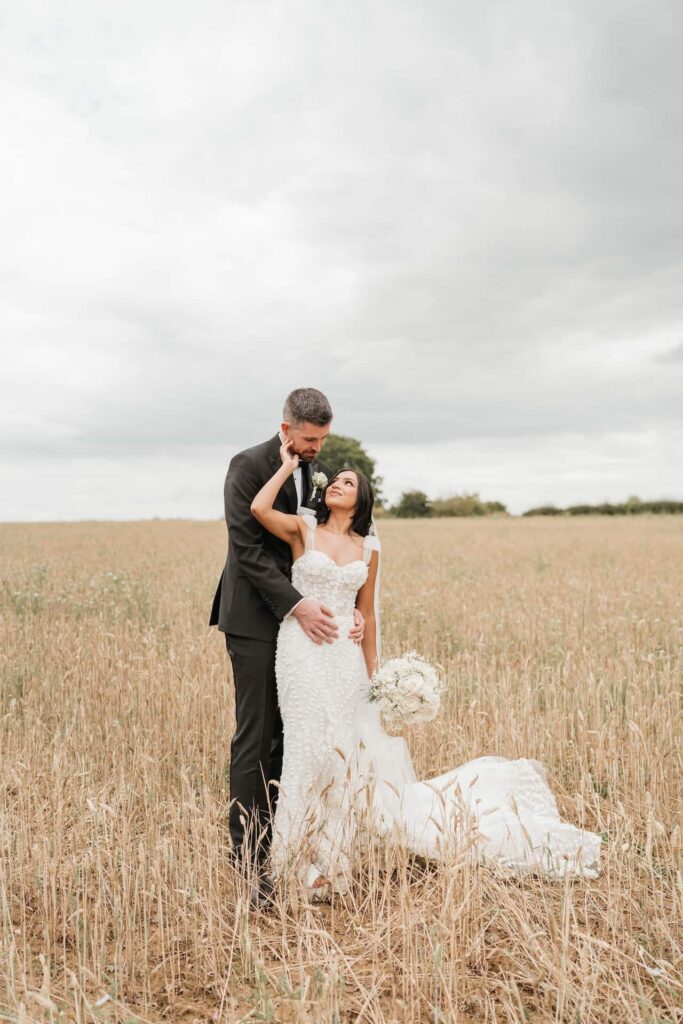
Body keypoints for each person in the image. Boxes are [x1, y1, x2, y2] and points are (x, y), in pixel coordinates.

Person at [250, 442, 602, 903]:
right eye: (335, 480)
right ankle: (292, 867)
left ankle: (331, 866)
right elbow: (258, 507)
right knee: (303, 750)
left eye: (349, 482)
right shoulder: (304, 529)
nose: (337, 483)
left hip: (344, 660)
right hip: (301, 650)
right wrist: (288, 466)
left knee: (341, 760)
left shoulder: (367, 548)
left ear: (363, 500)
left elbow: (367, 614)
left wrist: (374, 676)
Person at [209, 387, 365, 908]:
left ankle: (293, 846)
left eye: (323, 438)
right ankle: (248, 855)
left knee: (297, 737)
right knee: (256, 736)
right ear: (287, 428)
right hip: (256, 619)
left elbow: (332, 540)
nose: (318, 447)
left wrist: (354, 611)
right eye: (310, 438)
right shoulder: (248, 465)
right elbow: (247, 551)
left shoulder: (320, 472)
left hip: (311, 628)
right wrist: (297, 604)